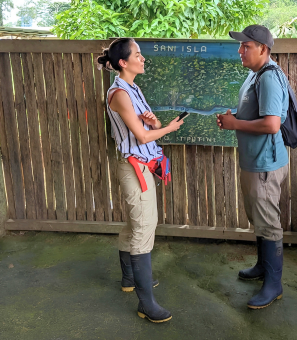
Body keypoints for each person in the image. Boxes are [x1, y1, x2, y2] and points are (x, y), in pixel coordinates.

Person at [97, 38, 183, 323]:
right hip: (134, 168)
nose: (143, 58)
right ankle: (146, 303)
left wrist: (156, 122)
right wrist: (168, 129)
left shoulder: (133, 88)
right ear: (123, 62)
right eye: (138, 54)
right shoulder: (119, 93)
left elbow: (149, 127)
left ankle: (129, 278)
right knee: (144, 228)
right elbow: (143, 137)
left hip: (144, 166)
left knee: (135, 224)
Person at [217, 25, 289, 309]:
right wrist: (234, 118)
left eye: (246, 46)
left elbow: (273, 124)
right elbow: (255, 113)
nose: (240, 50)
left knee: (269, 223)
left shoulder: (269, 78)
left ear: (263, 48)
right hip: (255, 162)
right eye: (241, 45)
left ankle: (274, 285)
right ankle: (262, 267)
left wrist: (235, 124)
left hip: (265, 165)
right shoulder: (255, 75)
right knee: (259, 218)